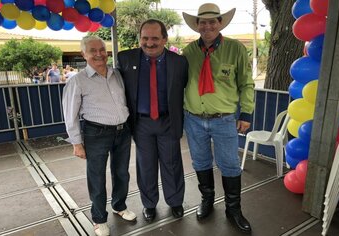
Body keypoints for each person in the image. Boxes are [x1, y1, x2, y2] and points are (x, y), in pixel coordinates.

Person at [182, 3, 255, 233]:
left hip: (224, 119)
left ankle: (233, 209)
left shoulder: (236, 49)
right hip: (193, 119)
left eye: (212, 21)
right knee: (200, 162)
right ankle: (207, 200)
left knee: (230, 165)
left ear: (220, 23)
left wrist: (246, 113)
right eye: (203, 22)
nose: (207, 25)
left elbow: (246, 83)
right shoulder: (188, 52)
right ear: (197, 25)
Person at [62, 36, 136, 236]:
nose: (98, 54)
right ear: (83, 54)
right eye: (92, 50)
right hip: (96, 133)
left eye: (101, 50)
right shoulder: (77, 81)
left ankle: (119, 206)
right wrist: (76, 143)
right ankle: (99, 218)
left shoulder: (117, 74)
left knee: (121, 173)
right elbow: (70, 115)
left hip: (123, 131)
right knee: (96, 177)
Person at [117, 19, 188, 222]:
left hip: (168, 121)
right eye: (145, 38)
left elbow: (184, 88)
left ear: (164, 39)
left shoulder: (179, 62)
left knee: (172, 164)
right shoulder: (125, 58)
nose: (149, 43)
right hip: (141, 123)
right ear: (139, 38)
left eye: (155, 38)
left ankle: (175, 202)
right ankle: (149, 204)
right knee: (145, 166)